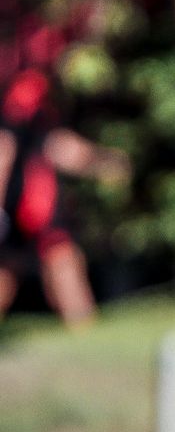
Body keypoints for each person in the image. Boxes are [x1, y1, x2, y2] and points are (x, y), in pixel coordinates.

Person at [0, 68, 128, 325]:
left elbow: (61, 148)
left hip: (33, 205)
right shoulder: (28, 98)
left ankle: (82, 330)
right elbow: (7, 150)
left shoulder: (40, 111)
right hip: (32, 205)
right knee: (60, 264)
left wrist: (101, 161)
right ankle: (82, 327)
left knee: (40, 264)